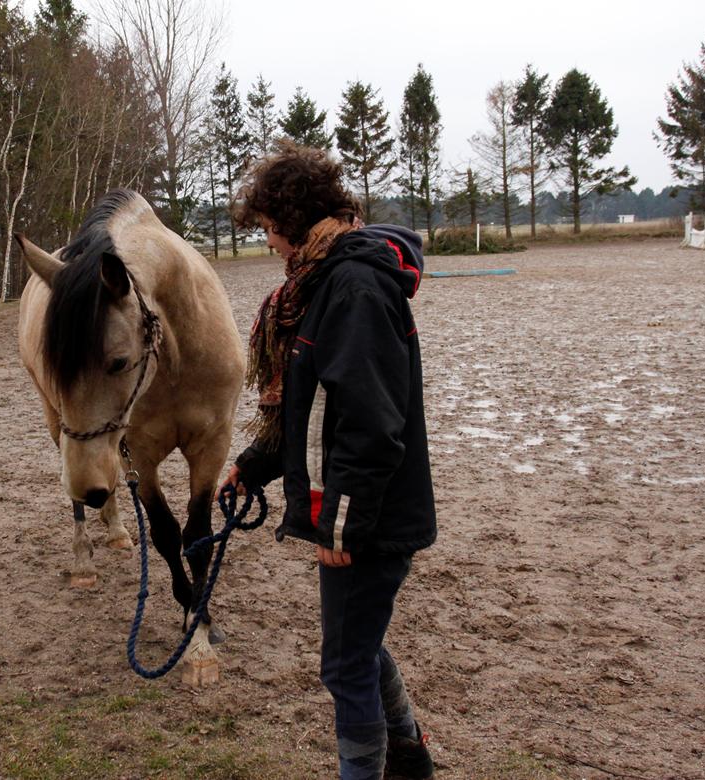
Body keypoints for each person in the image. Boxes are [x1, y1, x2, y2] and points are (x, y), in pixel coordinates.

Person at [219, 141, 438, 780]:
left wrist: (340, 526)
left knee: (345, 663)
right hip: (360, 513)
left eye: (268, 227)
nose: (268, 243)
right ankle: (410, 757)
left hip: (368, 520)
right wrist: (255, 464)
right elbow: (314, 405)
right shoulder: (326, 282)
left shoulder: (353, 287)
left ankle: (383, 766)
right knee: (358, 646)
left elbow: (370, 424)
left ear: (293, 219)